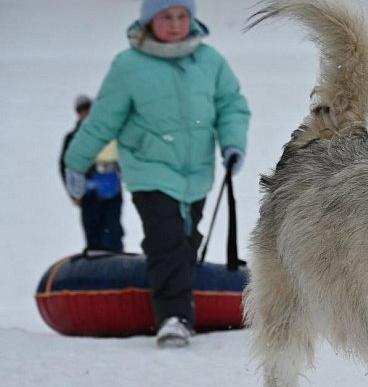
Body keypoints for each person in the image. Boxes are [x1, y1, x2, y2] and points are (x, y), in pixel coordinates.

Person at [63, 0, 250, 348]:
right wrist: (76, 162)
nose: (176, 24)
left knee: (185, 243)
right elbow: (103, 120)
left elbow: (231, 105)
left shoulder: (209, 61)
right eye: (166, 17)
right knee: (166, 241)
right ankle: (174, 318)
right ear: (149, 22)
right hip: (149, 171)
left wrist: (232, 143)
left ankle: (183, 300)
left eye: (183, 16)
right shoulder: (129, 66)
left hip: (196, 174)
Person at [59, 95, 125, 253]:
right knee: (93, 232)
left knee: (113, 231)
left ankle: (115, 260)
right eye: (82, 110)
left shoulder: (108, 132)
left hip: (111, 191)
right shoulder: (72, 138)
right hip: (89, 194)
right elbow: (65, 165)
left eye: (88, 109)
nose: (85, 113)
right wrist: (73, 192)